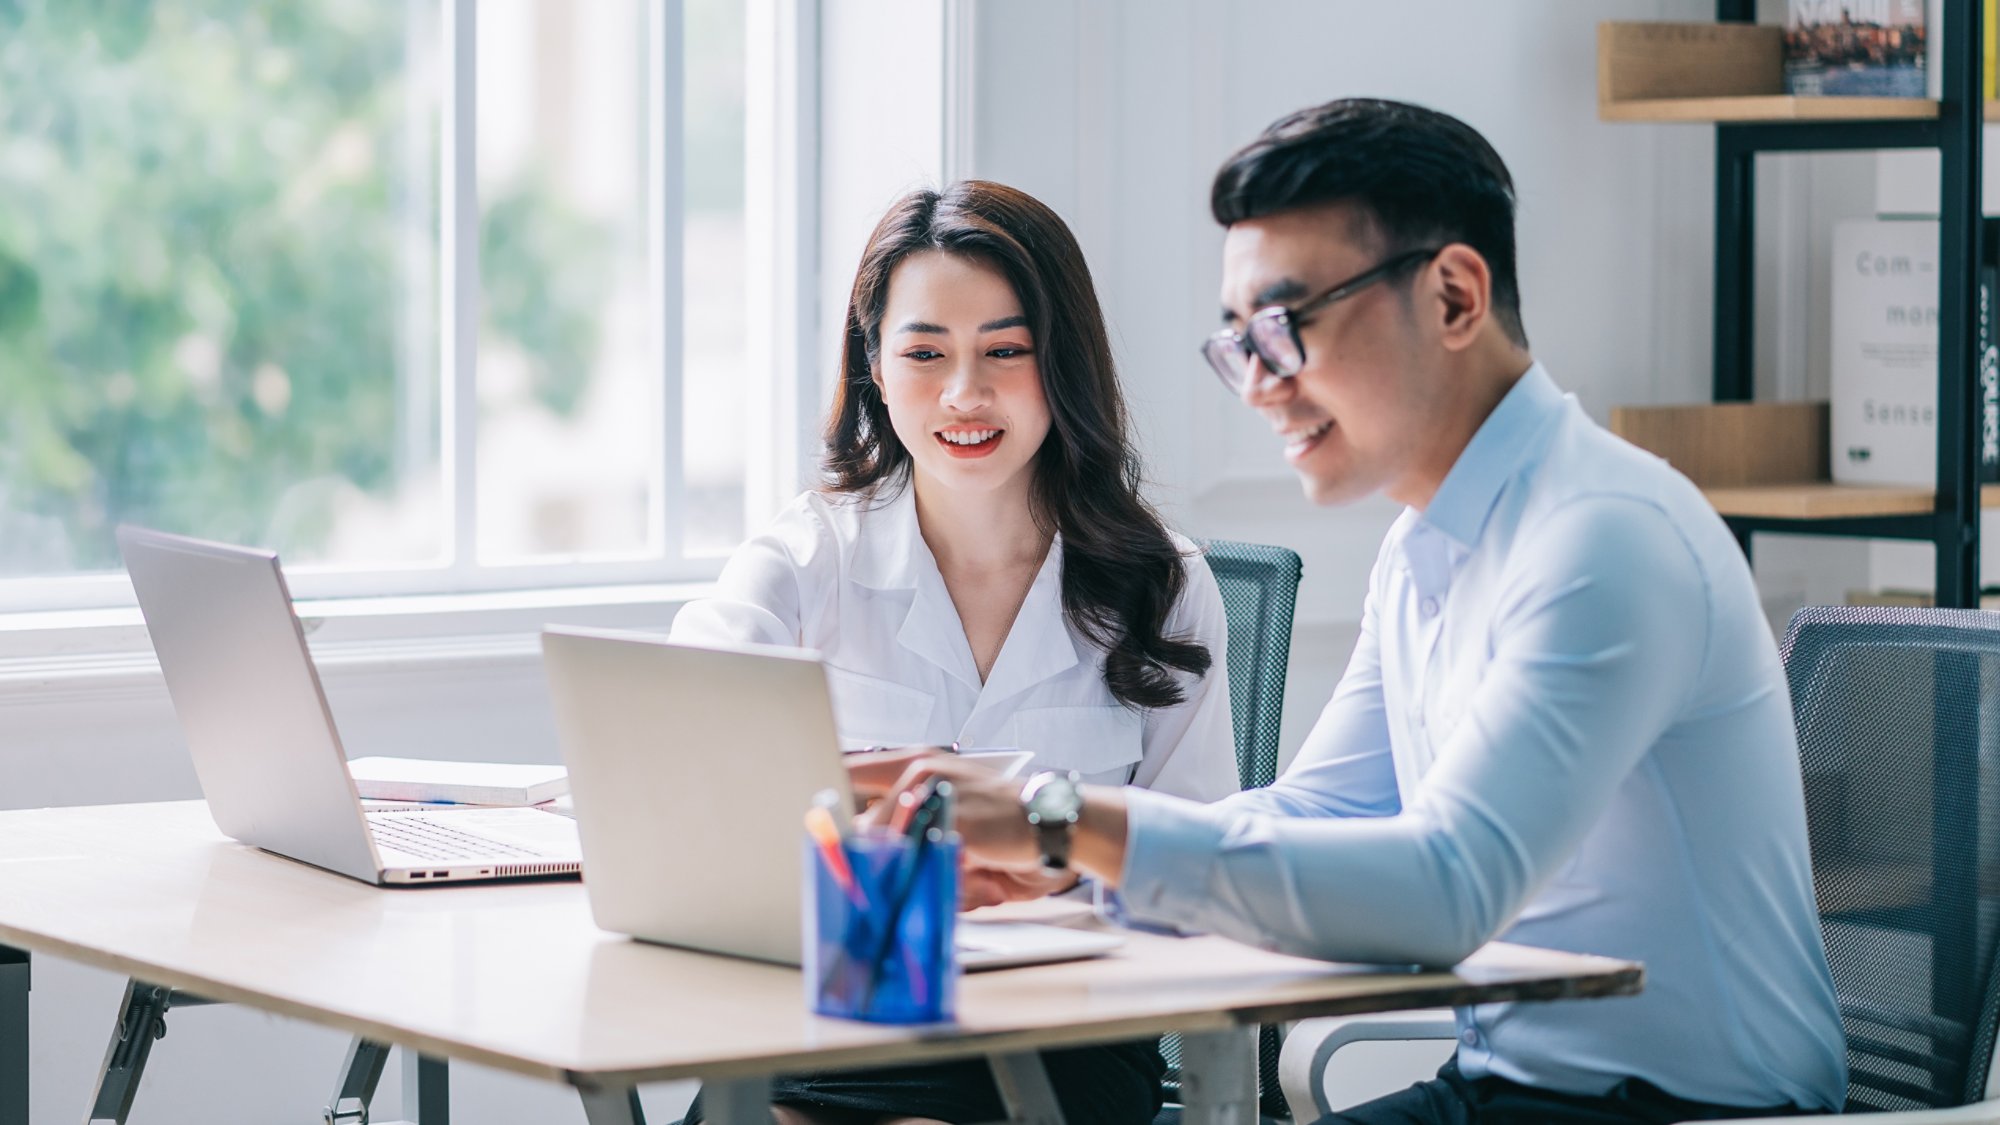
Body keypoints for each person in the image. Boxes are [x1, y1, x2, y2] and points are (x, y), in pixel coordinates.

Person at [862, 99, 1849, 1124]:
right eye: (1238, 343)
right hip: (1507, 1089)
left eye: (1285, 328)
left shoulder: (1601, 539)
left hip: (1682, 1111)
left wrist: (1066, 823)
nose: (1257, 385)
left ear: (1453, 298)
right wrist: (1062, 872)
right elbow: (1316, 810)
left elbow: (1445, 890)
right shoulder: (1424, 545)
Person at [674, 179, 1237, 1125]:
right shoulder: (809, 559)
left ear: (1062, 365)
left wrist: (1057, 857)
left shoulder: (1163, 584)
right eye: (925, 352)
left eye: (1005, 352)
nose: (965, 394)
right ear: (876, 368)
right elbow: (682, 728)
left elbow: (1209, 868)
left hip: (1069, 1027)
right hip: (849, 1013)